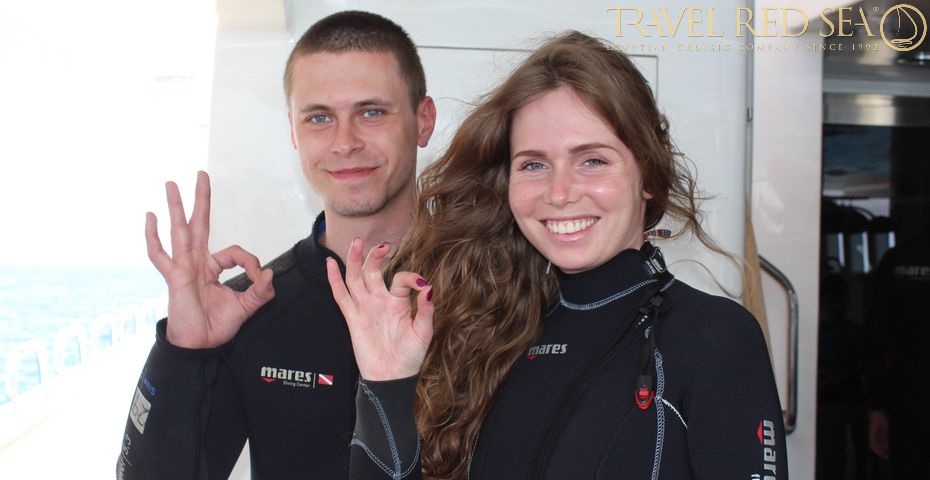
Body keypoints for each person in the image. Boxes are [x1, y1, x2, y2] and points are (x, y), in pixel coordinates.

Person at [326, 31, 789, 479]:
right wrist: (387, 382)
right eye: (534, 164)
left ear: (647, 174)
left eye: (593, 160)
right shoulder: (491, 334)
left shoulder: (714, 337)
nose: (560, 192)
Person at [116, 10, 436, 479]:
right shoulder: (250, 308)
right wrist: (182, 353)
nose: (345, 142)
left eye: (371, 112)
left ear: (423, 120)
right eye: (319, 118)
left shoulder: (495, 291)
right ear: (293, 132)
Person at [866, 230, 930, 478]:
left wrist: (876, 408)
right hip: (906, 402)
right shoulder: (898, 260)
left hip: (906, 402)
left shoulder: (899, 258)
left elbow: (874, 338)